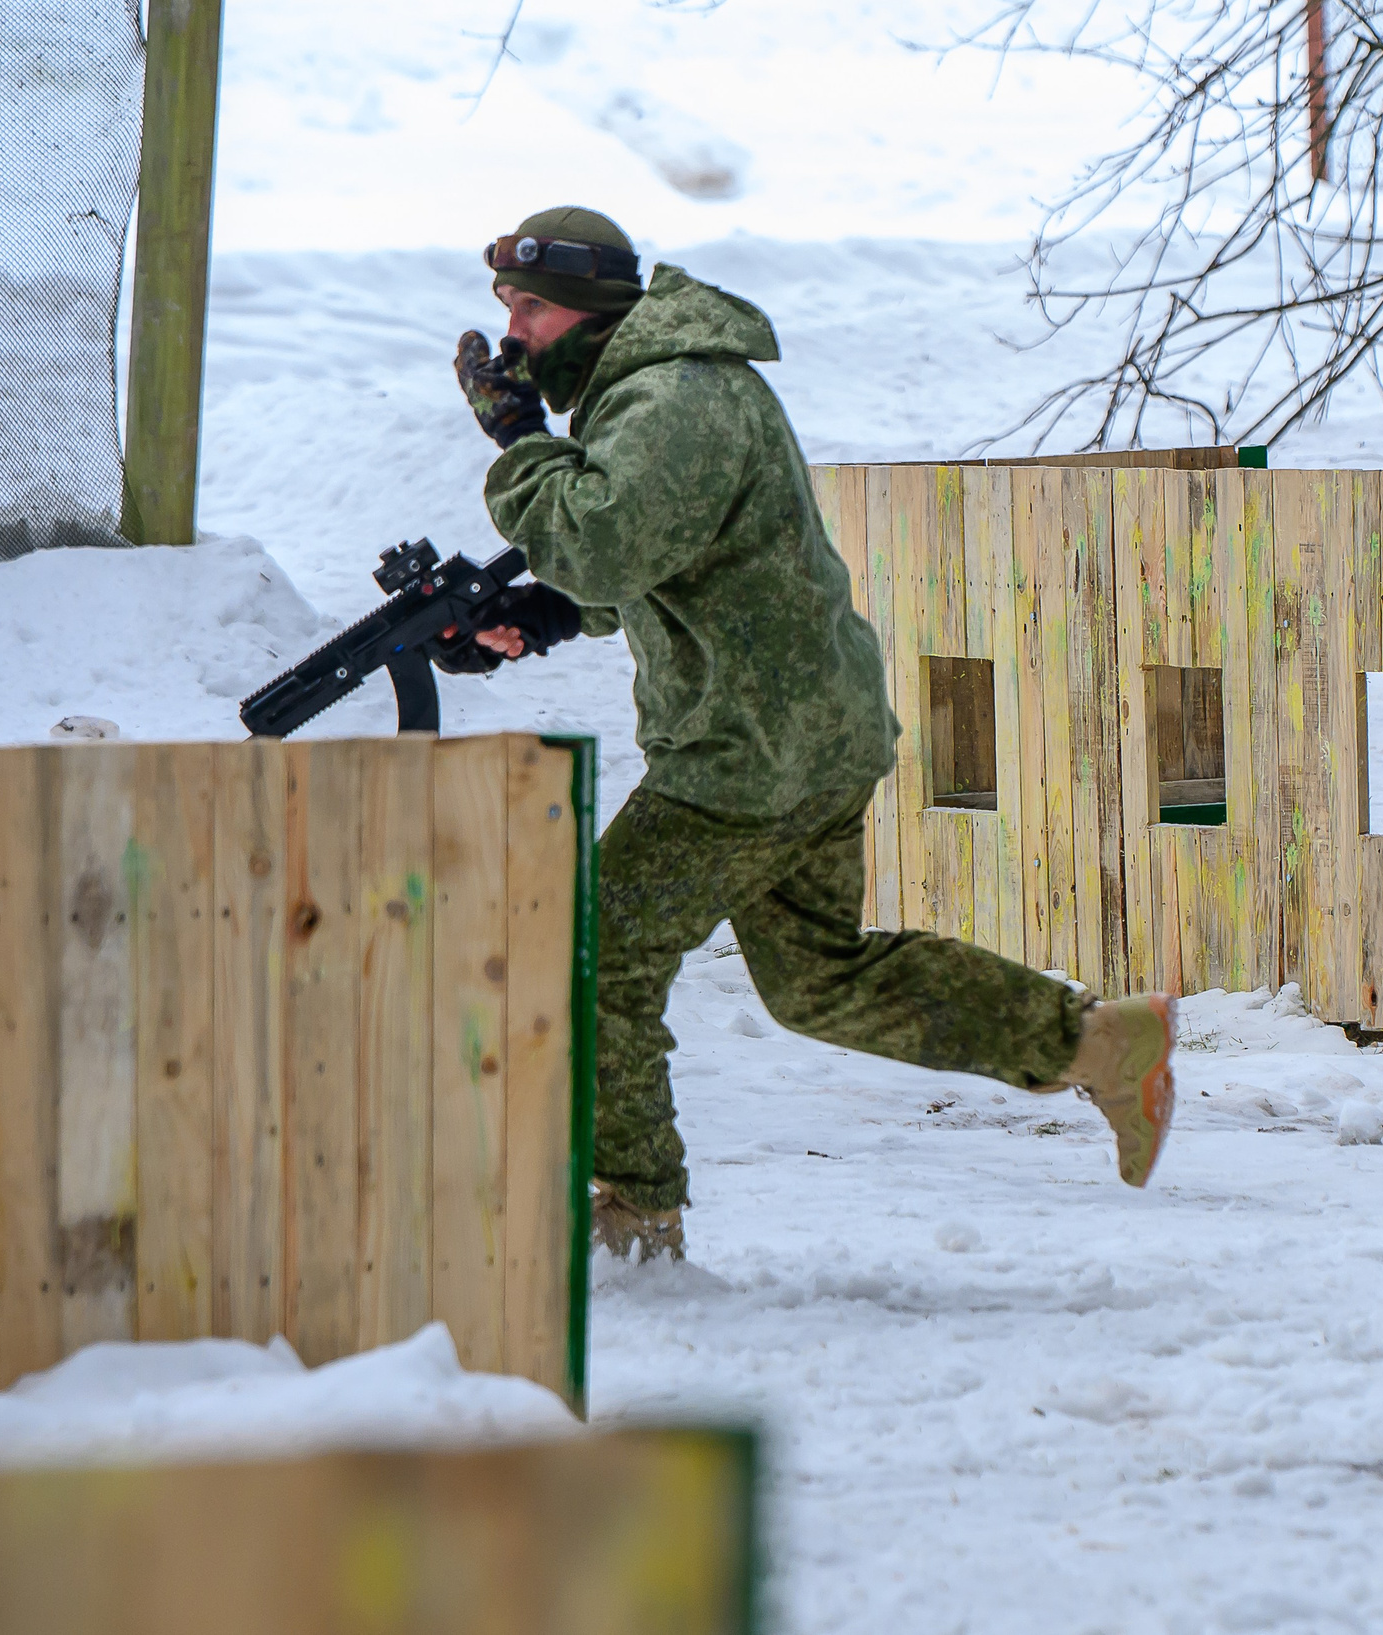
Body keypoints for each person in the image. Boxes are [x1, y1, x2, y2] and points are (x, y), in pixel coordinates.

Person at [450, 206, 1176, 1261]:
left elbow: (601, 542)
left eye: (532, 308)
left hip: (751, 751)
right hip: (800, 732)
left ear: (595, 306)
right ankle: (1098, 1043)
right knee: (819, 978)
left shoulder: (670, 399)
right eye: (506, 308)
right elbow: (657, 555)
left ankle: (635, 1216)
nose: (513, 334)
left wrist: (520, 444)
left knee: (591, 959)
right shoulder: (658, 392)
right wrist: (548, 620)